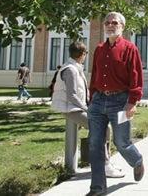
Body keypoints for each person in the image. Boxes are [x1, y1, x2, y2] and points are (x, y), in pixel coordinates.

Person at [87, 12, 145, 196]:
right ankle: (97, 188)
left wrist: (132, 102)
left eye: (114, 22)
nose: (110, 25)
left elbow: (136, 78)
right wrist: (92, 97)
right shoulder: (99, 49)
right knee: (95, 145)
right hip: (97, 103)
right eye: (107, 22)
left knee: (122, 143)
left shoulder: (130, 49)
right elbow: (94, 74)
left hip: (120, 103)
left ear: (122, 26)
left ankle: (137, 161)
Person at [51, 42, 124, 178]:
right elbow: (71, 95)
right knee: (103, 129)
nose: (86, 56)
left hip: (75, 107)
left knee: (104, 128)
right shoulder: (71, 70)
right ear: (82, 54)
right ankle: (104, 164)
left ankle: (102, 161)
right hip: (71, 109)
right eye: (85, 54)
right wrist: (88, 109)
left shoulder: (74, 68)